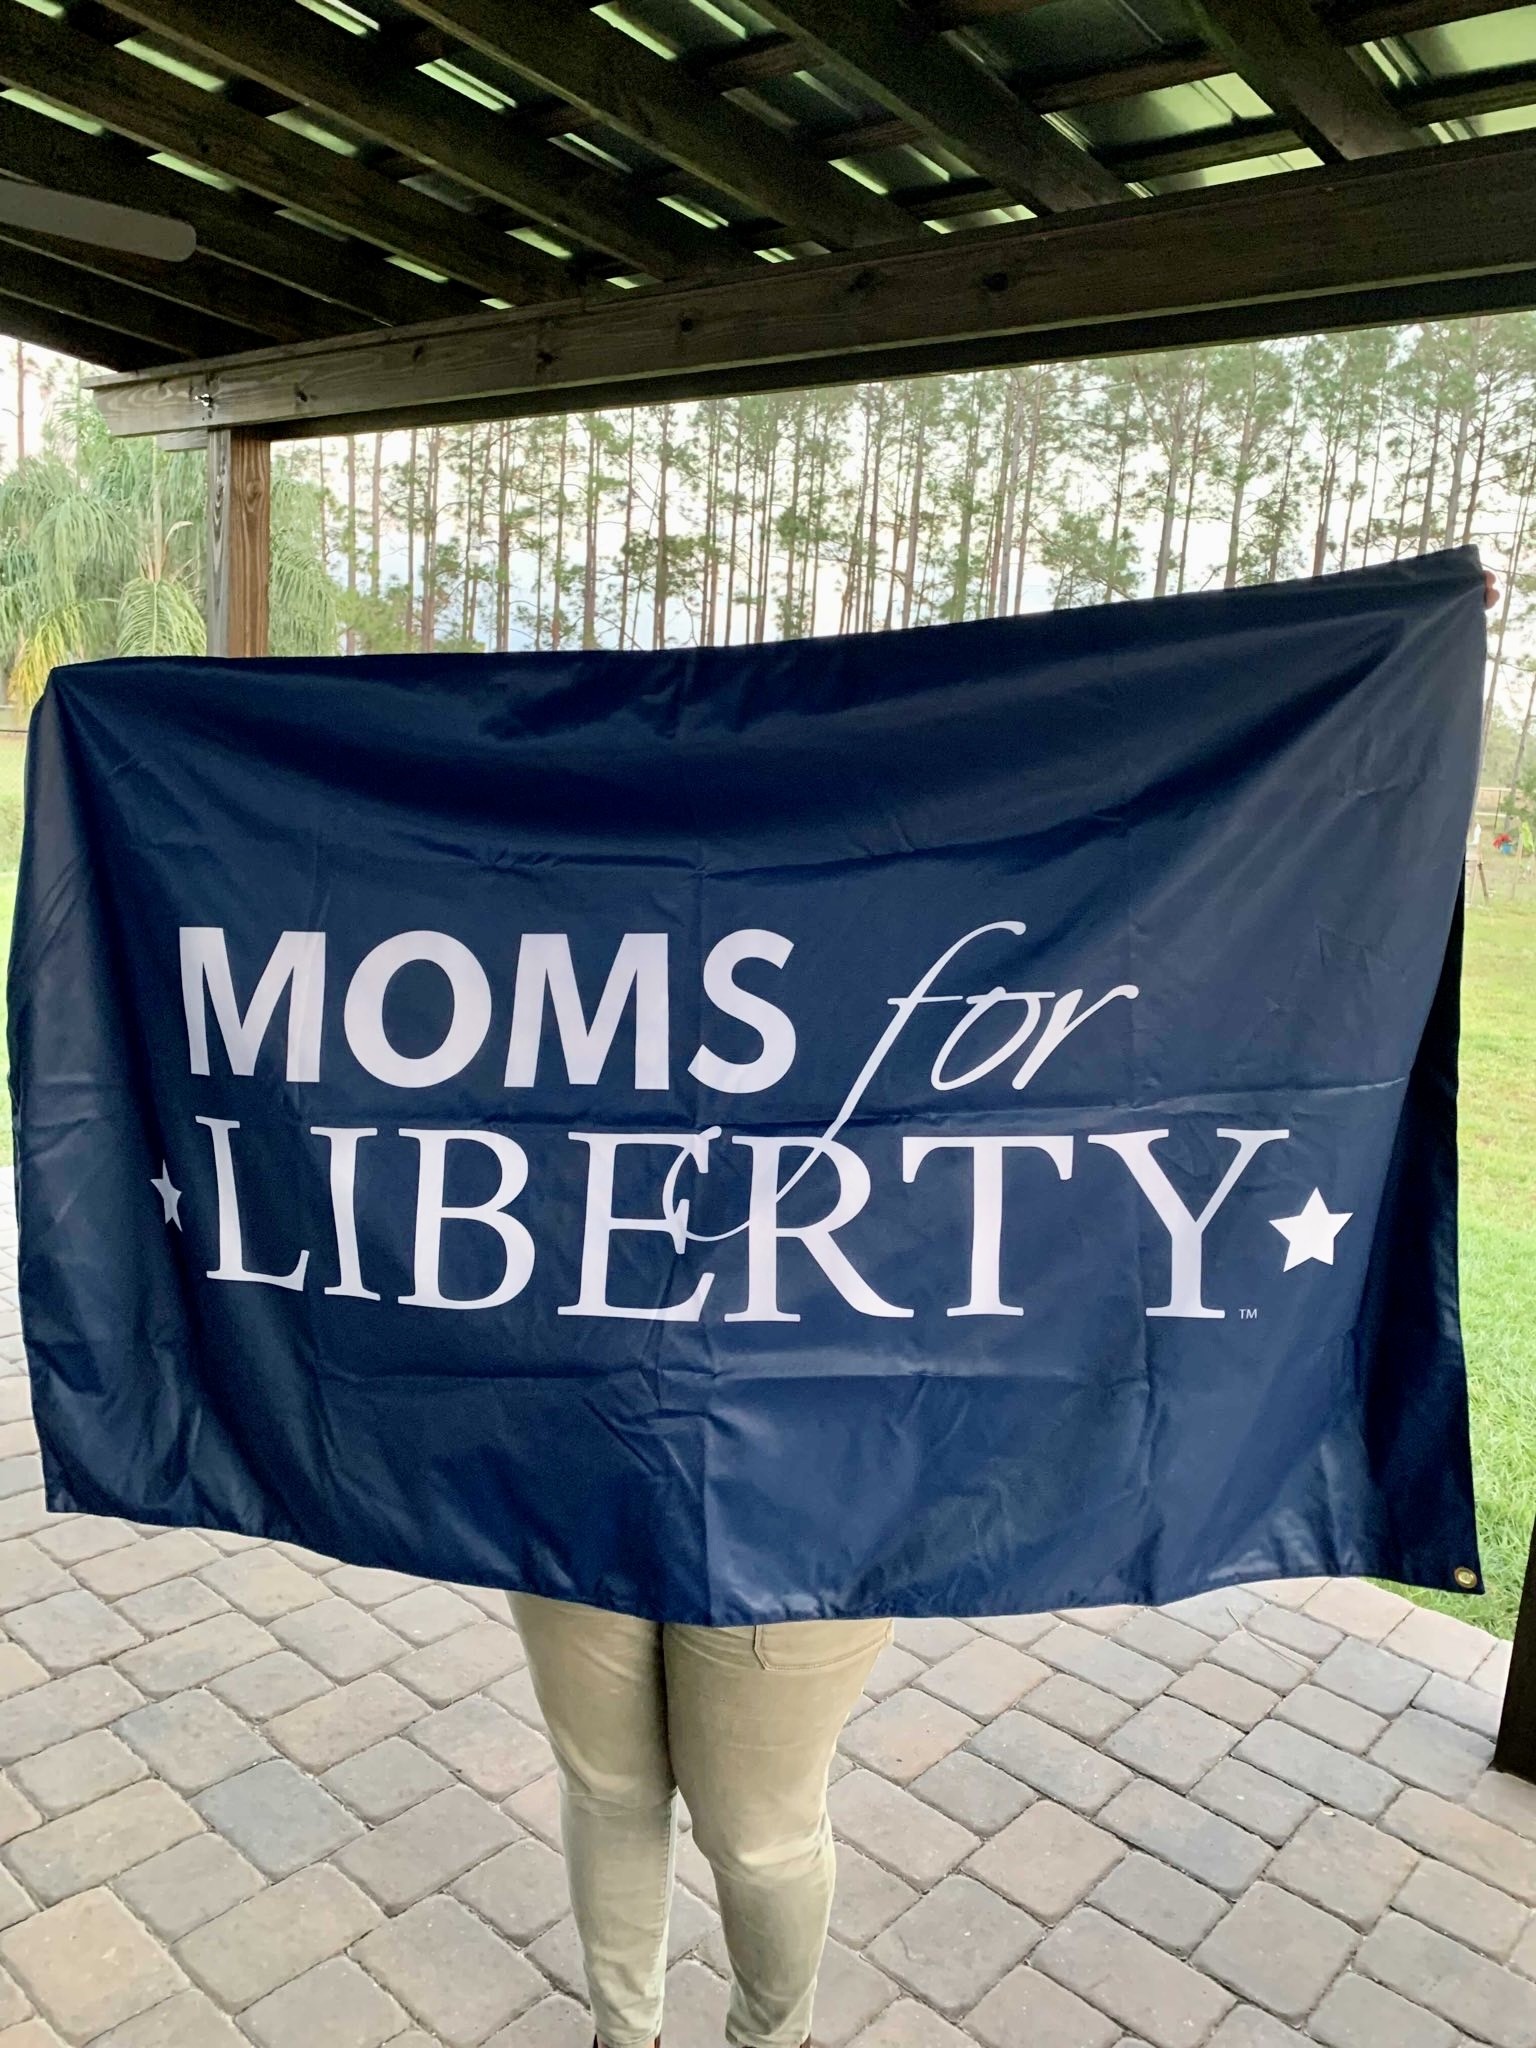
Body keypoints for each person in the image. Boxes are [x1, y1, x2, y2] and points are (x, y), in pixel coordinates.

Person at [509, 558, 1504, 2048]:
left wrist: (1385, 648)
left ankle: (767, 2035)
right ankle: (620, 2029)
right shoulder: (575, 924)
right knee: (602, 1781)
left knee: (756, 1828)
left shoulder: (926, 910)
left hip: (822, 1467)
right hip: (576, 1419)